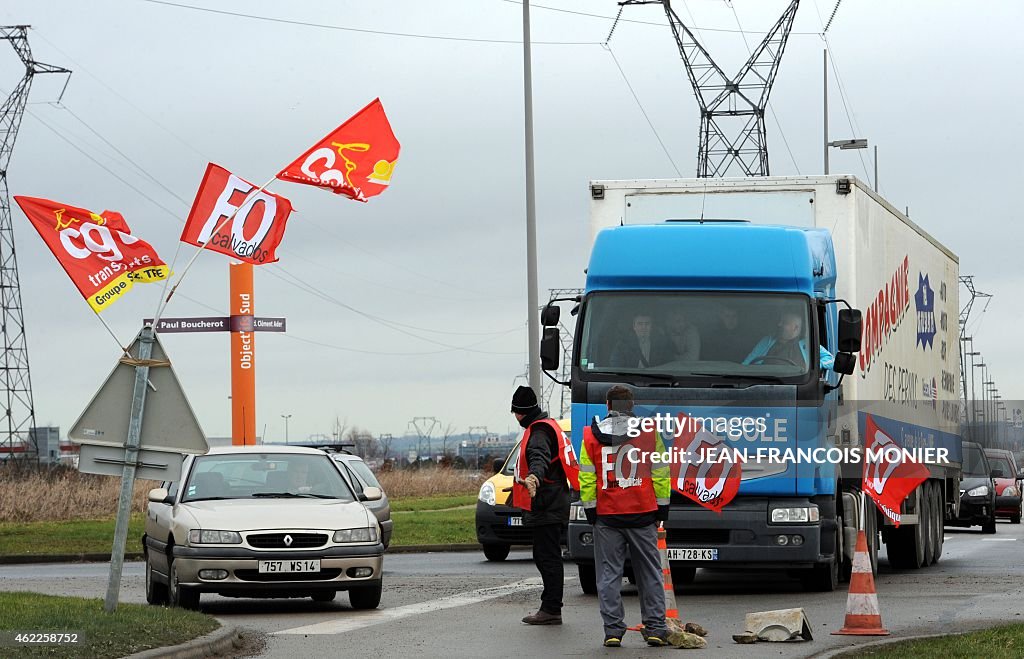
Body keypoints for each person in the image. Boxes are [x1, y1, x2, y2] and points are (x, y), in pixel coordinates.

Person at [579, 385, 671, 648]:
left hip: (607, 515)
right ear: (631, 406)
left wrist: (591, 510)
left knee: (608, 575)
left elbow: (587, 476)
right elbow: (660, 473)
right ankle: (655, 628)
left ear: (608, 406)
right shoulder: (650, 433)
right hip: (643, 512)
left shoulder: (590, 435)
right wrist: (662, 509)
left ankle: (612, 631)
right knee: (650, 573)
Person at [510, 385, 580, 626]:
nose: (515, 417)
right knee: (546, 556)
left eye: (515, 412)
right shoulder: (549, 425)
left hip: (546, 503)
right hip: (554, 500)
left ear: (521, 412)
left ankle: (551, 609)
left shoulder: (538, 432)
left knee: (547, 557)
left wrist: (534, 479)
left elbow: (538, 460)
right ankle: (550, 607)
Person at [743, 310, 834, 370]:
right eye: (780, 321)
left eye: (785, 322)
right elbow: (747, 363)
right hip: (763, 383)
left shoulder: (807, 344)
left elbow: (831, 359)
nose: (779, 324)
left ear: (795, 328)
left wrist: (816, 366)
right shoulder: (768, 340)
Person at [609, 314, 674, 368]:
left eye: (647, 324)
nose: (644, 327)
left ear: (651, 326)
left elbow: (669, 365)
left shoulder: (662, 344)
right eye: (640, 324)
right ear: (634, 326)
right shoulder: (623, 344)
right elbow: (616, 365)